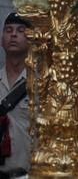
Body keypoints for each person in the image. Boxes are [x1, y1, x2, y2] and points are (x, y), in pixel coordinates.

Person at [0, 13, 31, 179]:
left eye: (20, 30)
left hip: (27, 174)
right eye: (8, 30)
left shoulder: (40, 84)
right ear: (1, 40)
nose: (13, 34)